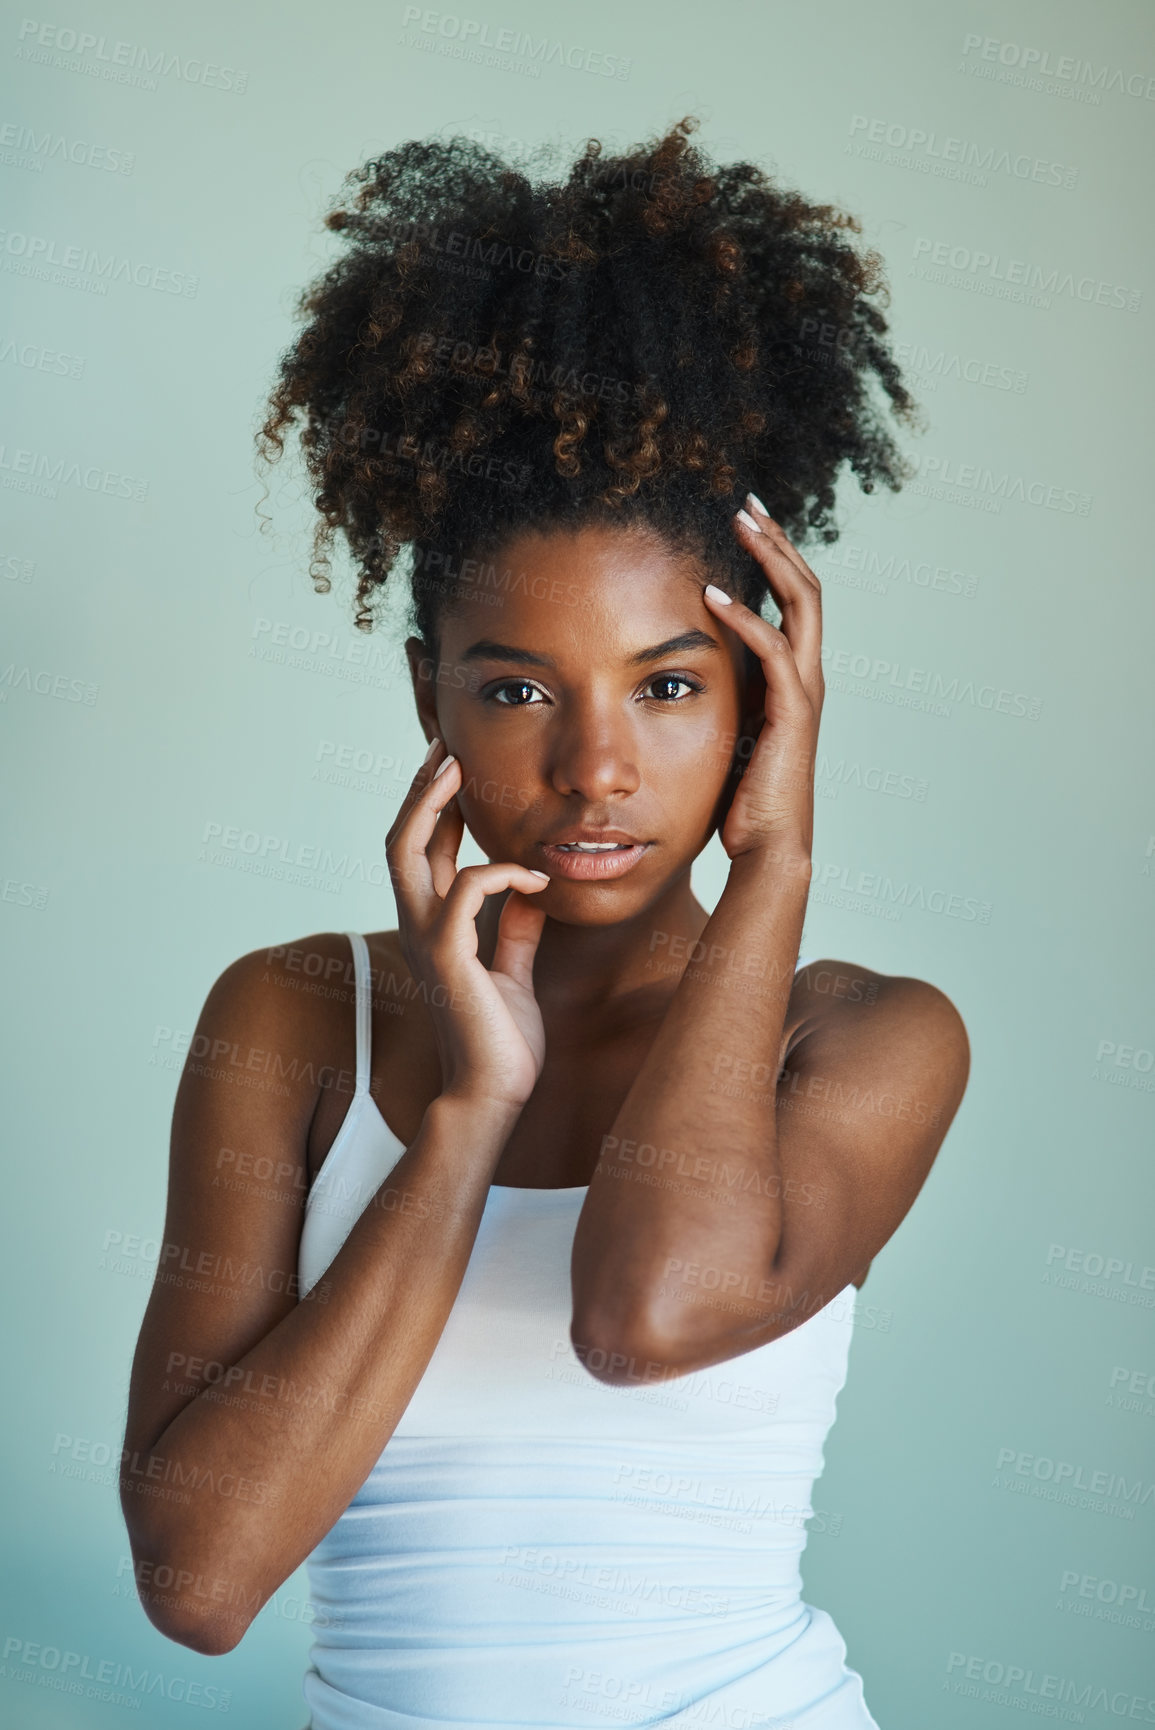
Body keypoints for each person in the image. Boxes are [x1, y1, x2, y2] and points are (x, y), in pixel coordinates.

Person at [120, 117, 970, 1728]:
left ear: (760, 700)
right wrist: (462, 1120)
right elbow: (203, 1582)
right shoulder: (295, 1019)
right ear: (424, 688)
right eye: (517, 688)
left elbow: (643, 1313)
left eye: (668, 687)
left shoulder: (867, 1038)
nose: (595, 769)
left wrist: (771, 869)